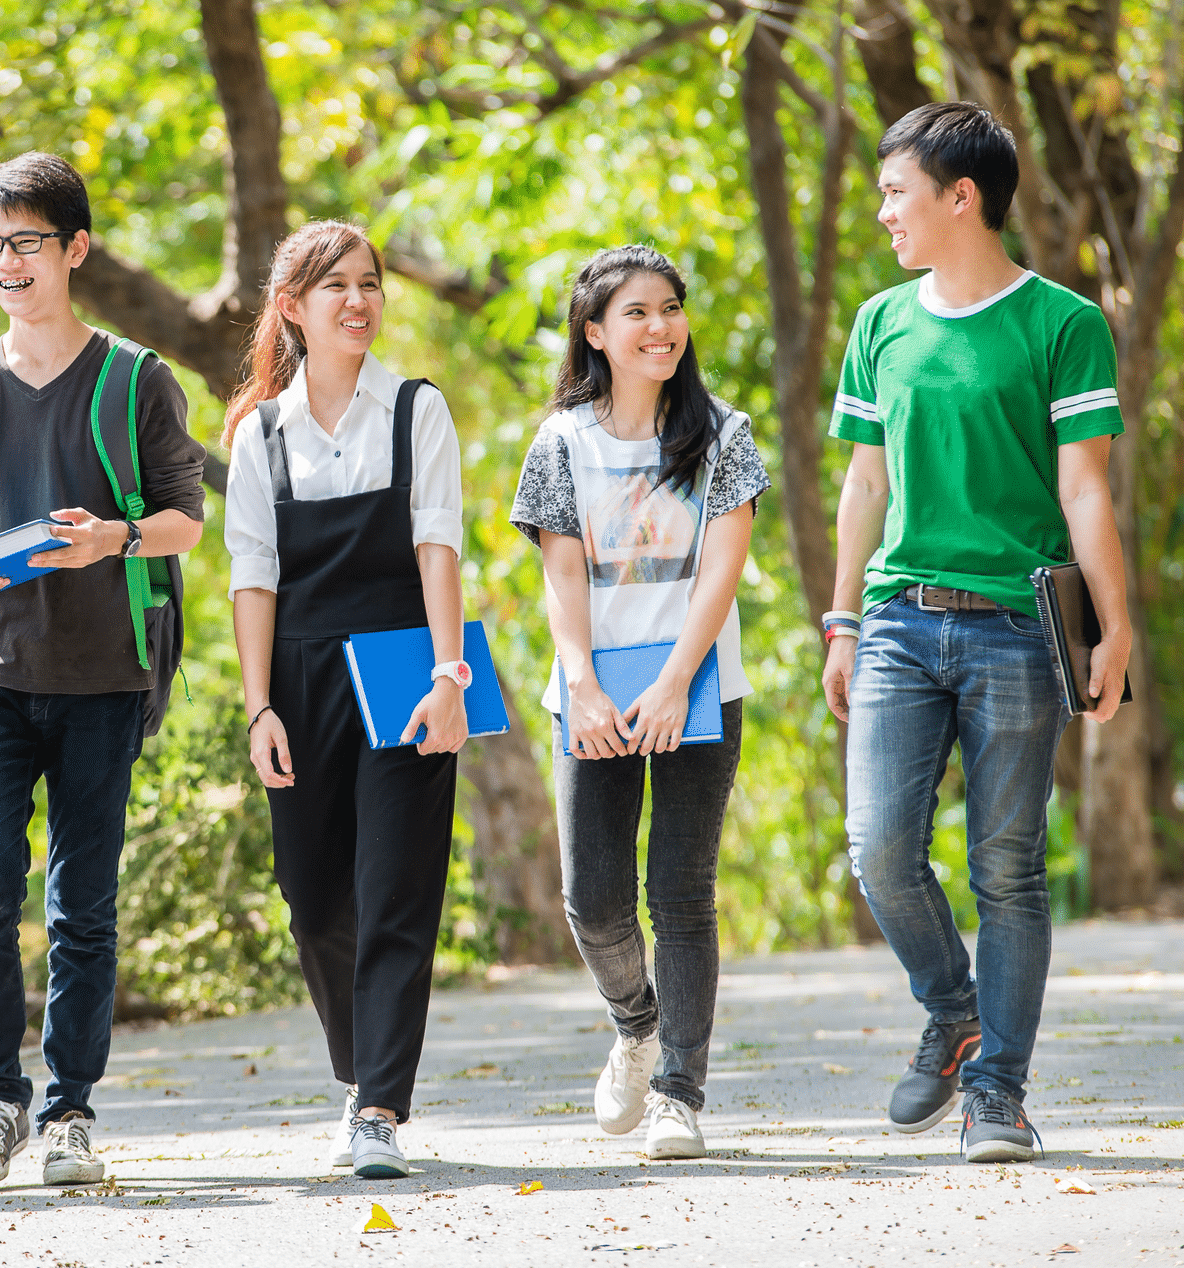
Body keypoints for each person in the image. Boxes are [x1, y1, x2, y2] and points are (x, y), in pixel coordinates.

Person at [822, 102, 1131, 1163]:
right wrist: (839, 617)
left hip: (1018, 627)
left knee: (1006, 867)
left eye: (897, 191)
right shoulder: (878, 322)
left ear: (962, 196)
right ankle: (954, 1009)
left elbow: (1083, 491)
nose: (883, 212)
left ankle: (995, 1091)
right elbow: (864, 481)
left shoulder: (1061, 322)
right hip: (899, 621)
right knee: (877, 849)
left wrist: (1114, 626)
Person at [0, 152, 206, 1187]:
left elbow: (184, 521)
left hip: (105, 675)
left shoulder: (136, 379)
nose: (5, 261)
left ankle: (68, 1111)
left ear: (74, 249)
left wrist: (113, 539)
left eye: (26, 242)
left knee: (84, 902)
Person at [510, 245, 768, 1160]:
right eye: (636, 313)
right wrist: (581, 683)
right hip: (591, 695)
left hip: (696, 688)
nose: (659, 326)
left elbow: (720, 572)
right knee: (593, 899)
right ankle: (636, 1023)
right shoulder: (560, 442)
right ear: (595, 333)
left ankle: (678, 1092)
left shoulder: (723, 435)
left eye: (670, 308)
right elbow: (562, 571)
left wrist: (673, 684)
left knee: (681, 893)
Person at [224, 220, 469, 1180]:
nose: (360, 301)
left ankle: (377, 1105)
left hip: (407, 663)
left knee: (397, 888)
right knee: (315, 896)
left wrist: (449, 677)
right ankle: (357, 1071)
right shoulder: (261, 432)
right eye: (337, 287)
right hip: (299, 678)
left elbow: (438, 549)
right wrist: (258, 707)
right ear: (293, 308)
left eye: (370, 283)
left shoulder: (417, 410)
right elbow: (252, 578)